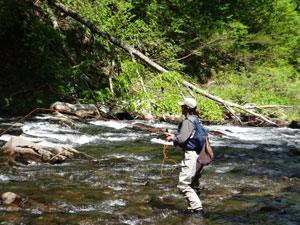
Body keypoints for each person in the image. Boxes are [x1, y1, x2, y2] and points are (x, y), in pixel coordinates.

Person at [166, 97, 207, 215]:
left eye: (182, 106)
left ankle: (197, 209)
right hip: (200, 155)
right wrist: (175, 136)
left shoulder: (188, 121)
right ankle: (193, 208)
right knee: (193, 183)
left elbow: (182, 139)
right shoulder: (197, 120)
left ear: (187, 108)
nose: (181, 108)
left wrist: (172, 138)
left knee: (183, 184)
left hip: (192, 155)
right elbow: (190, 136)